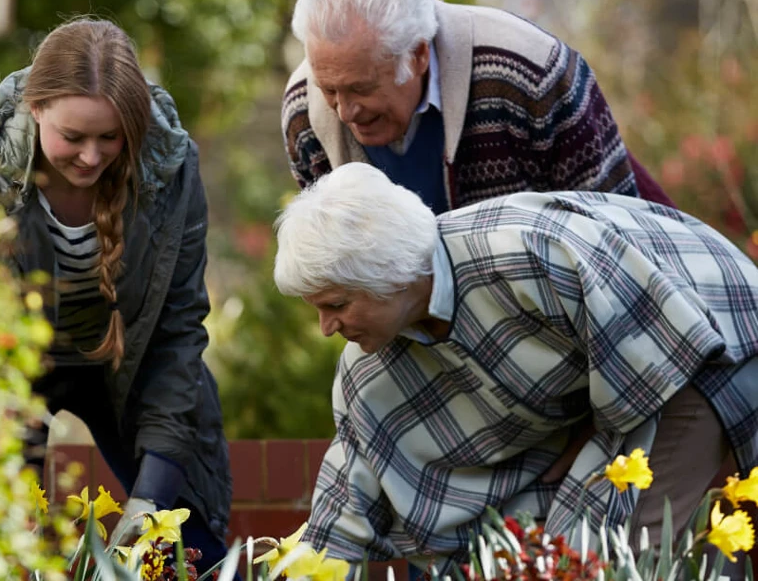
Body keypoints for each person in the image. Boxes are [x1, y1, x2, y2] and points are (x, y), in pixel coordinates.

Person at [273, 162, 758, 574]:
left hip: (700, 333)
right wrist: (312, 570)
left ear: (390, 273)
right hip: (620, 386)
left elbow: (657, 339)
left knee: (623, 555)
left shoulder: (525, 252)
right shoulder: (368, 368)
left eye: (336, 304)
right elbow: (351, 483)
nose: (325, 328)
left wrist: (591, 439)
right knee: (556, 559)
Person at [0, 19, 233, 572]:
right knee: (1, 545)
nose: (90, 157)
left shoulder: (170, 169)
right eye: (73, 137)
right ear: (36, 109)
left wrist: (151, 499)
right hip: (18, 369)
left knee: (187, 547)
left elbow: (178, 329)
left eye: (110, 137)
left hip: (129, 360)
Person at [281, 0, 675, 212]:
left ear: (417, 54)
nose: (346, 110)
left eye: (362, 89)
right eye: (329, 89)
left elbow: (621, 229)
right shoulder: (304, 112)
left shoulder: (529, 73)